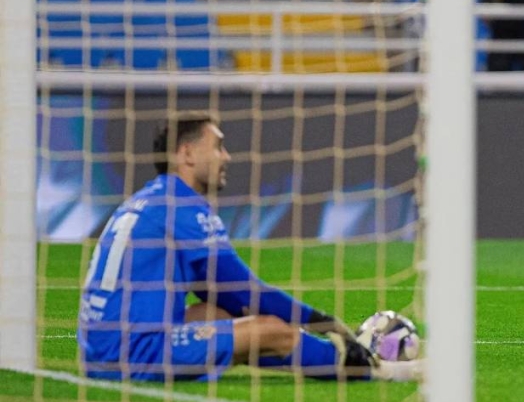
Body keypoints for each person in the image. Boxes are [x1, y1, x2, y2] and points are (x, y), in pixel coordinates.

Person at [78, 112, 419, 382]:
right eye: (218, 146)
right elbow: (244, 293)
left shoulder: (151, 198)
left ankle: (325, 359)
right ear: (187, 154)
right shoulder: (182, 207)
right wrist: (322, 323)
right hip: (134, 353)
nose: (226, 156)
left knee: (212, 316)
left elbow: (220, 297)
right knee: (271, 329)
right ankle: (370, 369)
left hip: (99, 349)